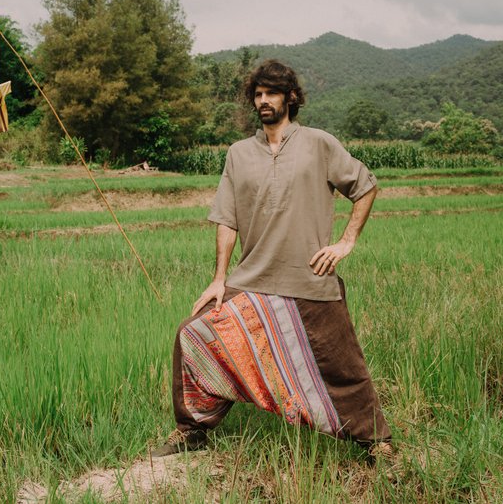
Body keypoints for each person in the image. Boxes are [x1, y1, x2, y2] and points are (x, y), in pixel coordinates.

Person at [151, 59, 393, 461]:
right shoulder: (238, 153)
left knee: (343, 368)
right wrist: (218, 279)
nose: (263, 101)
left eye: (271, 93)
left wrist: (345, 243)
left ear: (291, 97)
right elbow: (226, 219)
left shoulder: (319, 143)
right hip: (253, 279)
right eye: (258, 94)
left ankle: (376, 443)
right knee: (193, 336)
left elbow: (365, 187)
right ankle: (192, 429)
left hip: (310, 278)